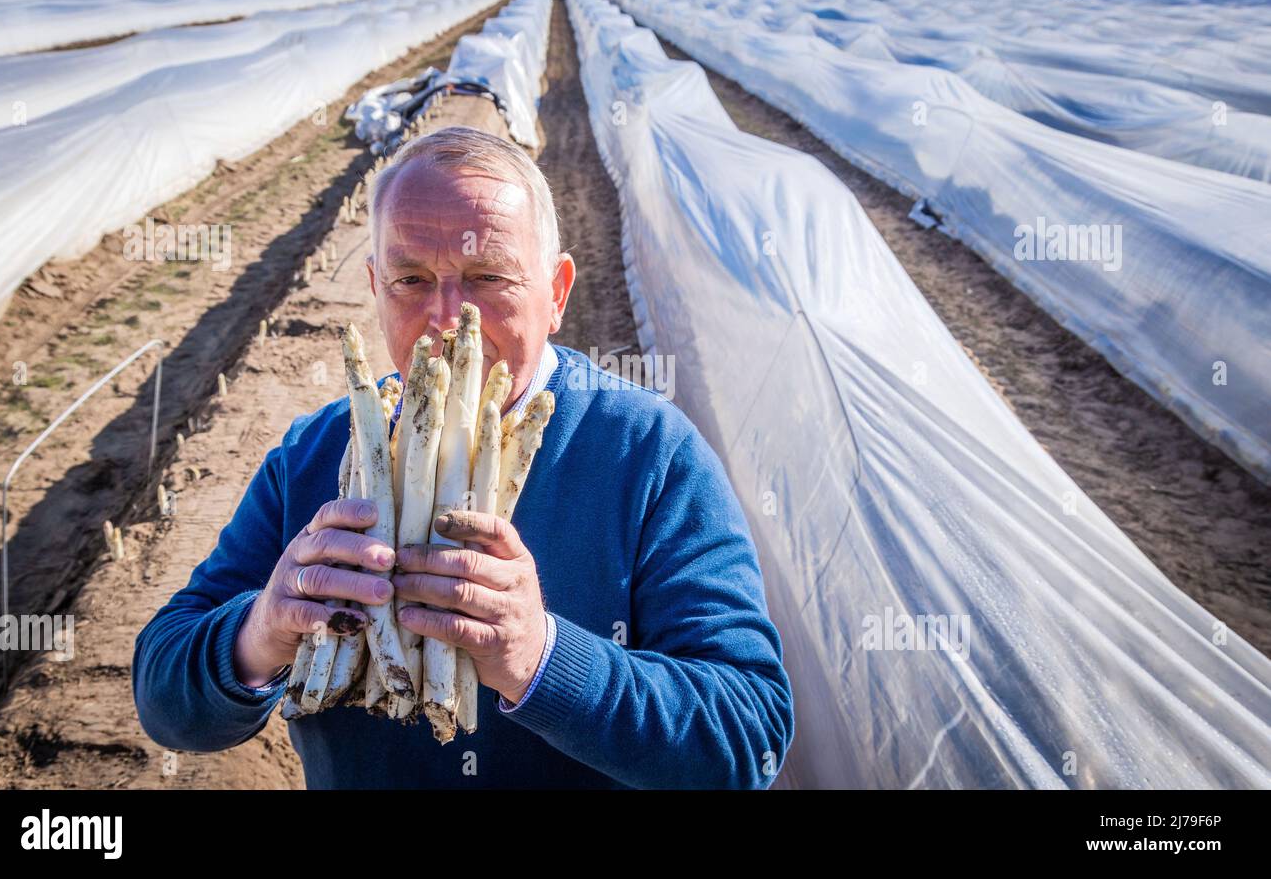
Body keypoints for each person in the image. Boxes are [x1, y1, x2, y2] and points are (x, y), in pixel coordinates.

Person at [132, 126, 795, 789]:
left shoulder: (651, 456)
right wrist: (261, 630)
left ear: (556, 292)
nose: (448, 318)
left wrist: (540, 656)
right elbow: (163, 695)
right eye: (411, 279)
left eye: (487, 276)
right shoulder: (311, 456)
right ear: (374, 285)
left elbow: (748, 736)